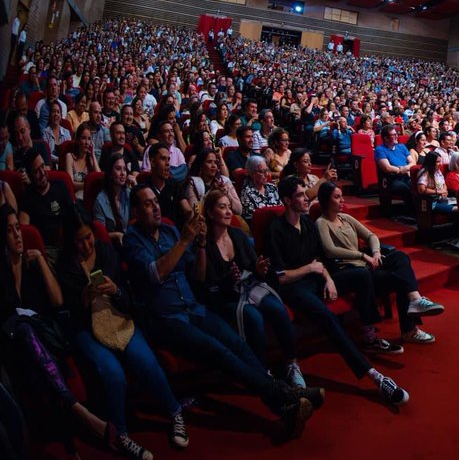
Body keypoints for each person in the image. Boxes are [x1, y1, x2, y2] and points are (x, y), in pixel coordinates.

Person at [123, 185, 321, 440]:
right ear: (137, 212)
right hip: (167, 319)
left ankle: (285, 404)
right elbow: (156, 274)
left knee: (237, 345)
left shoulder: (170, 231)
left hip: (193, 307)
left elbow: (197, 276)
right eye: (148, 204)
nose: (156, 207)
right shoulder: (133, 239)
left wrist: (202, 246)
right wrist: (185, 241)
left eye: (156, 201)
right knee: (221, 352)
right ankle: (289, 396)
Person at [0, 206, 111, 460]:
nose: (18, 234)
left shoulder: (31, 263)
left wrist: (41, 259)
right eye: (10, 230)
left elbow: (56, 302)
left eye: (19, 227)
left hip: (41, 346)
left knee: (43, 372)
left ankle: (72, 450)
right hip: (14, 346)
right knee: (25, 332)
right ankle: (79, 418)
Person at [265, 176, 410, 404]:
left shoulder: (308, 225)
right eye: (301, 195)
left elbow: (320, 260)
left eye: (305, 193)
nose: (307, 198)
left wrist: (327, 277)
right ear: (286, 200)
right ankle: (374, 375)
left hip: (317, 278)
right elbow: (279, 277)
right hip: (295, 287)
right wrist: (311, 269)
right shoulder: (275, 229)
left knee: (361, 275)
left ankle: (370, 334)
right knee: (327, 317)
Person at [58, 221, 188, 460]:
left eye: (88, 237)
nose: (86, 245)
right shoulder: (66, 265)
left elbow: (128, 298)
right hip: (86, 327)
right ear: (70, 242)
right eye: (79, 241)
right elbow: (66, 315)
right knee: (112, 372)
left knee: (145, 360)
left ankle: (174, 410)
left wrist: (115, 290)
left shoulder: (106, 252)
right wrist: (84, 299)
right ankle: (120, 434)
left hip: (117, 315)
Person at [195, 189, 305, 387]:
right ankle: (261, 373)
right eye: (222, 207)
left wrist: (259, 270)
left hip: (248, 287)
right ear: (210, 213)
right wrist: (228, 280)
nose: (229, 212)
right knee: (253, 317)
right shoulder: (205, 243)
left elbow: (254, 267)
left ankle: (291, 363)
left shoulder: (237, 235)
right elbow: (204, 281)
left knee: (277, 309)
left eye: (229, 207)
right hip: (223, 296)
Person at [315, 181, 443, 345]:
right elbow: (330, 250)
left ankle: (415, 301)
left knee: (400, 258)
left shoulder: (346, 218)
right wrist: (362, 255)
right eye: (337, 197)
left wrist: (375, 252)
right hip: (349, 270)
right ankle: (409, 329)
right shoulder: (321, 222)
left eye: (342, 197)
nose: (342, 201)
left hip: (366, 266)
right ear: (326, 200)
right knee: (401, 280)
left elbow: (371, 236)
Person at [18, 153, 79, 263]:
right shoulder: (28, 197)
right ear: (30, 176)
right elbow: (24, 230)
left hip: (69, 242)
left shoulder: (60, 185)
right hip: (47, 250)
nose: (42, 172)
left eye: (42, 166)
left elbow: (74, 215)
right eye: (36, 171)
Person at [374, 124, 416, 217]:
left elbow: (412, 163)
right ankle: (413, 212)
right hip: (392, 179)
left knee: (417, 185)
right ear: (386, 138)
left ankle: (420, 211)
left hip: (406, 176)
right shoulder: (380, 149)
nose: (397, 136)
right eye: (393, 135)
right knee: (404, 189)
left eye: (396, 134)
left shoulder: (402, 147)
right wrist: (402, 169)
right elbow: (387, 168)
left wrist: (403, 169)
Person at [93, 151, 132, 245]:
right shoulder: (100, 200)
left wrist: (136, 188)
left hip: (130, 241)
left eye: (124, 169)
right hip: (110, 245)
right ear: (110, 173)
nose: (123, 173)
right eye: (118, 169)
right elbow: (99, 234)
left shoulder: (129, 193)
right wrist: (115, 235)